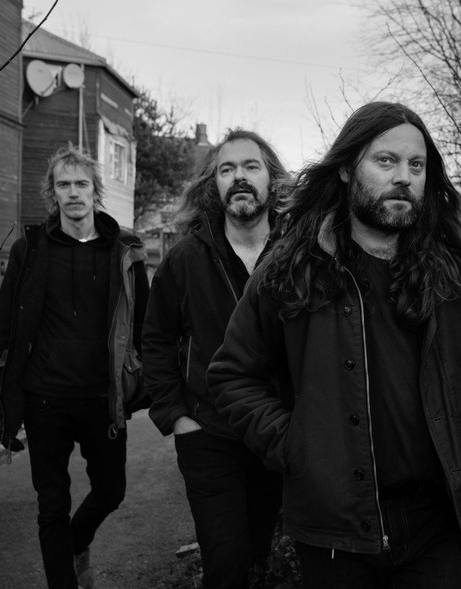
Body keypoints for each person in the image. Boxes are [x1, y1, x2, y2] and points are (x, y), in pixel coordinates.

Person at [208, 102, 461, 589]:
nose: (404, 177)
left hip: (436, 521)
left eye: (416, 165)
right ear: (347, 168)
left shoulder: (452, 274)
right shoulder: (292, 269)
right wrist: (296, 447)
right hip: (337, 530)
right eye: (386, 161)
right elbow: (232, 375)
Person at [0, 144, 149, 589]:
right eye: (64, 184)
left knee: (111, 491)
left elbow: (144, 327)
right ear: (52, 192)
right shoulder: (30, 250)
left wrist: (145, 386)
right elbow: (3, 330)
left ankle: (76, 543)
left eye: (81, 183)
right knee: (51, 506)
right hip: (45, 398)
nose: (73, 192)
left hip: (103, 396)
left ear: (95, 190)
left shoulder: (125, 250)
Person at [141, 129, 291, 588]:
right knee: (225, 564)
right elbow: (156, 340)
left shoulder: (297, 255)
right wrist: (176, 416)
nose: (239, 177)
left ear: (271, 180)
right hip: (209, 434)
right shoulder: (185, 260)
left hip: (277, 431)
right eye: (228, 169)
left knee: (257, 551)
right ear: (215, 183)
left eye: (251, 167)